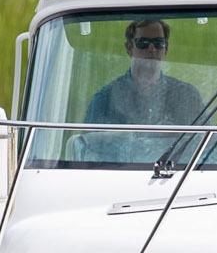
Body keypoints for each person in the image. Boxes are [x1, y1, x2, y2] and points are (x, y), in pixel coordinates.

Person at [81, 18, 208, 159]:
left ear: (166, 49)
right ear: (129, 48)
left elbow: (205, 147)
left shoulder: (188, 97)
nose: (151, 49)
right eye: (143, 43)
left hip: (176, 173)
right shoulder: (104, 100)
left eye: (158, 43)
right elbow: (89, 153)